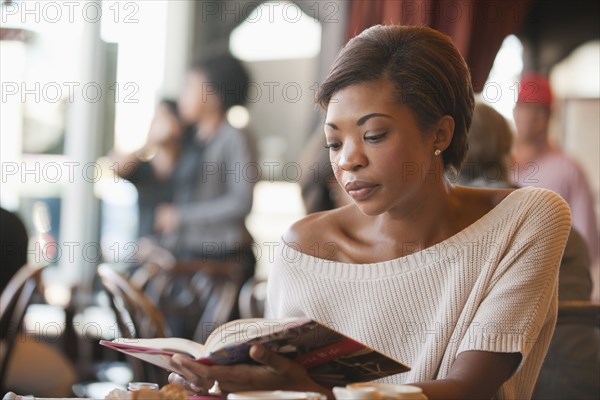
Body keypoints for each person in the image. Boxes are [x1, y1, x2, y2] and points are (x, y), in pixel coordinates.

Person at [168, 25, 571, 399]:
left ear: (440, 134)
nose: (348, 161)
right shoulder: (305, 248)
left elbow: (469, 387)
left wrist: (321, 394)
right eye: (333, 142)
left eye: (373, 135)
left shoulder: (525, 220)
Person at [455, 103, 598, 398]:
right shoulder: (556, 220)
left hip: (517, 385)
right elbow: (589, 246)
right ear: (508, 147)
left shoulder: (455, 225)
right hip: (581, 375)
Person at [511, 73, 599, 300]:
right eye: (522, 107)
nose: (528, 116)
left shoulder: (569, 170)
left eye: (537, 110)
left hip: (554, 293)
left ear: (548, 116)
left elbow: (586, 243)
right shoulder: (502, 166)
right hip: (506, 288)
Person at [110, 99, 184, 244]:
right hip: (144, 250)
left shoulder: (188, 166)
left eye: (164, 117)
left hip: (178, 253)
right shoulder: (144, 168)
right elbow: (115, 166)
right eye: (156, 119)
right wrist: (148, 143)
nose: (160, 124)